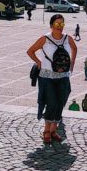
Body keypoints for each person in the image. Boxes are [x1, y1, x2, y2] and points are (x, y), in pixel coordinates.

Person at [27, 14, 76, 144]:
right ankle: (46, 131)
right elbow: (30, 51)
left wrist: (72, 65)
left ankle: (54, 131)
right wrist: (38, 62)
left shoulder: (67, 38)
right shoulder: (45, 39)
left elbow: (75, 49)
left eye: (62, 24)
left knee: (60, 103)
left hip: (63, 78)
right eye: (57, 24)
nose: (59, 27)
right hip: (47, 77)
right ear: (51, 25)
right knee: (51, 103)